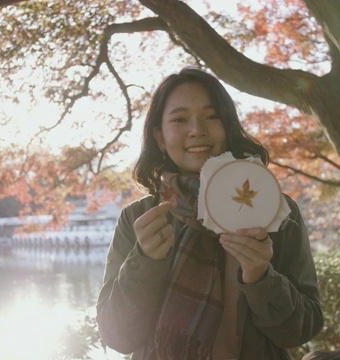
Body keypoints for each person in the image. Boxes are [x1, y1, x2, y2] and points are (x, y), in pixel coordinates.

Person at [96, 67, 323, 360]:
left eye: (212, 116)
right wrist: (146, 260)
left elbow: (302, 331)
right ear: (160, 137)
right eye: (179, 119)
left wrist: (261, 277)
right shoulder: (141, 219)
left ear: (228, 127)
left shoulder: (274, 210)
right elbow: (117, 336)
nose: (197, 130)